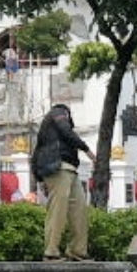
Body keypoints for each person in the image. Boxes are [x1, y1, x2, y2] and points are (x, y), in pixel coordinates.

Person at [32, 102, 92, 260]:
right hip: (58, 167)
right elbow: (66, 131)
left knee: (79, 211)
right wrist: (87, 150)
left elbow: (36, 152)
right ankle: (51, 252)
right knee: (58, 211)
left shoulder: (48, 130)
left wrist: (39, 177)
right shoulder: (58, 112)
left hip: (70, 169)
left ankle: (77, 250)